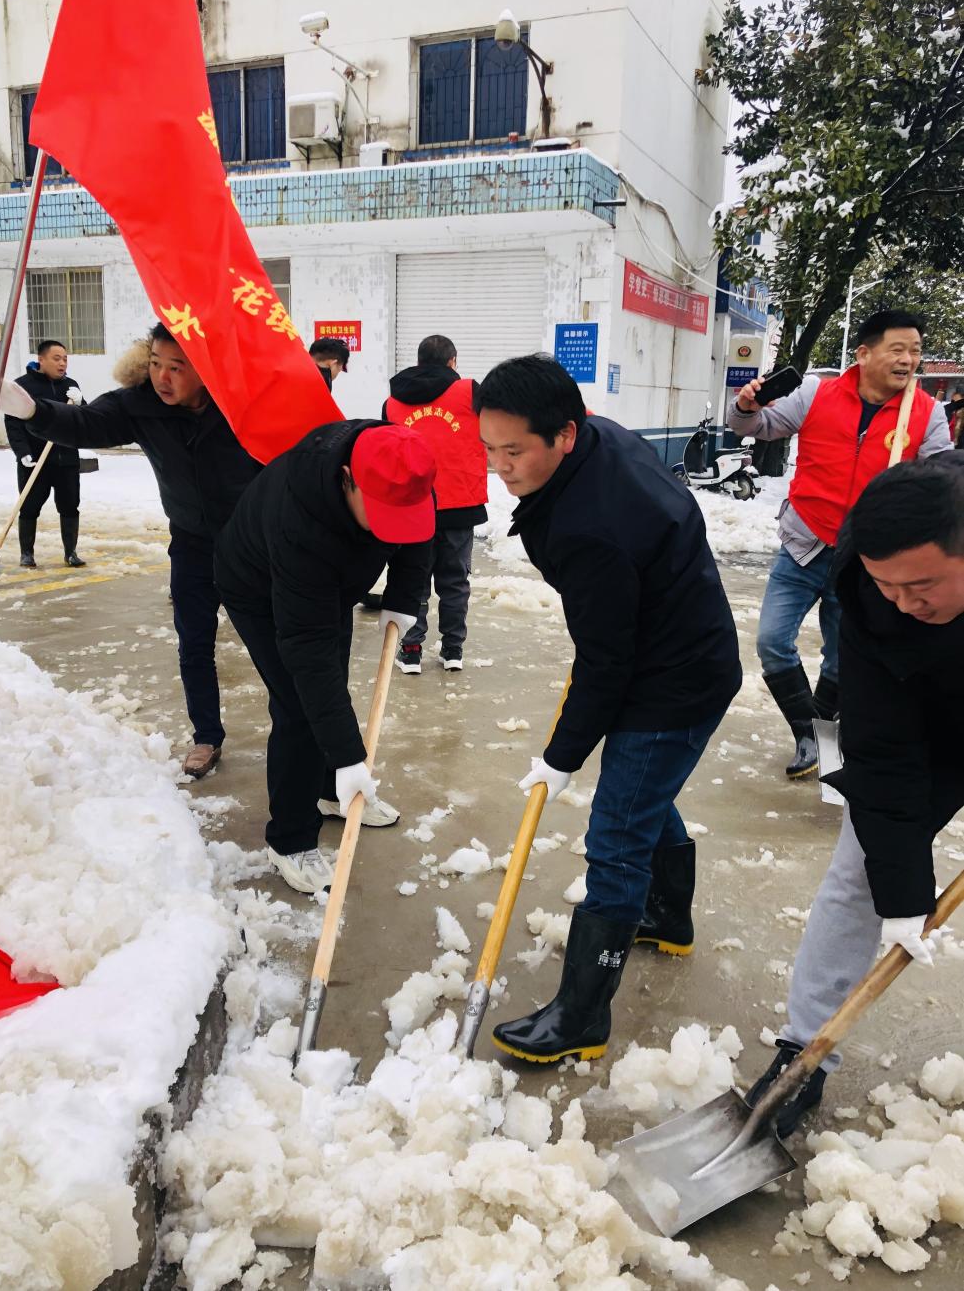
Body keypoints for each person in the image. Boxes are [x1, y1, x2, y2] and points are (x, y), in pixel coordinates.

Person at [476, 355, 741, 1063]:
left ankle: (581, 1018)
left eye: (513, 451)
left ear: (564, 433)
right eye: (489, 450)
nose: (499, 468)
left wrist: (560, 758)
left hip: (669, 682)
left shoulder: (590, 527)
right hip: (682, 645)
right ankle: (667, 916)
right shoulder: (602, 440)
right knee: (642, 796)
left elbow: (606, 664)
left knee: (617, 835)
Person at [747, 455, 964, 1133]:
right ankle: (801, 1055)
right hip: (926, 719)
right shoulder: (871, 596)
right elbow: (881, 753)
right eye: (886, 584)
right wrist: (903, 897)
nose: (903, 601)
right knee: (859, 874)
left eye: (921, 584)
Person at [0, 323, 260, 780]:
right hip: (191, 542)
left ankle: (301, 734)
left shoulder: (240, 404)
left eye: (176, 368)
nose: (162, 378)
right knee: (194, 642)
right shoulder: (141, 403)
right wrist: (32, 411)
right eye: (154, 365)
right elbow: (88, 423)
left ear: (207, 371)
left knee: (270, 644)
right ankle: (207, 735)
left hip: (251, 545)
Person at [727, 311, 950, 780]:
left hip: (867, 559)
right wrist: (746, 407)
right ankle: (809, 731)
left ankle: (823, 741)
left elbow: (942, 486)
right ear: (864, 353)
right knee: (771, 641)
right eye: (898, 349)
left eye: (915, 351)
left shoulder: (927, 414)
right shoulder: (817, 393)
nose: (909, 360)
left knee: (841, 656)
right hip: (804, 541)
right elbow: (756, 427)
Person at [214, 421, 435, 893]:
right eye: (381, 514)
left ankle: (332, 791)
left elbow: (419, 533)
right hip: (260, 586)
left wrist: (404, 595)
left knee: (327, 688)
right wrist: (351, 755)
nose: (392, 529)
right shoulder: (300, 517)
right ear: (349, 478)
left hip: (330, 580)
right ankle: (290, 840)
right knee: (299, 702)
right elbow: (307, 650)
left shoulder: (405, 464)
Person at [384, 334, 487, 673]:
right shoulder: (470, 392)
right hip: (459, 504)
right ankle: (453, 650)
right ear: (452, 363)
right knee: (455, 582)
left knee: (413, 580)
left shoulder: (392, 402)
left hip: (413, 507)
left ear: (418, 362)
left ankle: (411, 650)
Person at [8, 340, 87, 569]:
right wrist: (22, 452)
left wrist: (81, 403)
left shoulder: (71, 386)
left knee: (70, 505)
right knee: (30, 506)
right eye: (56, 358)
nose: (62, 363)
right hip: (35, 460)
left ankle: (70, 552)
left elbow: (86, 419)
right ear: (41, 359)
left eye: (65, 358)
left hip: (66, 459)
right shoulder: (22, 386)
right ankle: (27, 554)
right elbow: (13, 422)